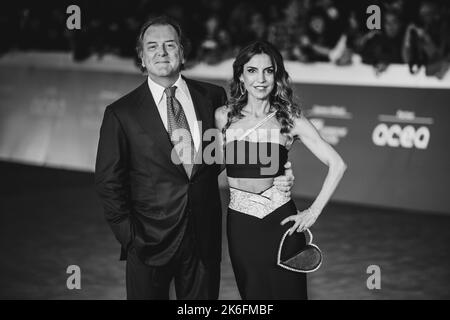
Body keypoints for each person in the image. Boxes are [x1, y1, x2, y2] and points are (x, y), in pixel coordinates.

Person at [94, 16, 294, 300]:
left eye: (169, 45)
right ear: (142, 57)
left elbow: (237, 149)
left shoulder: (212, 97)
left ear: (183, 53)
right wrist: (131, 238)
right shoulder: (121, 113)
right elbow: (108, 182)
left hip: (203, 240)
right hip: (148, 242)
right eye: (152, 47)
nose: (161, 52)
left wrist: (280, 170)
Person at [215, 41, 347, 300]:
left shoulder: (290, 118)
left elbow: (337, 164)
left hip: (281, 223)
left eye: (268, 71)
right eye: (252, 71)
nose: (261, 79)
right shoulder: (224, 116)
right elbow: (215, 165)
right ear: (241, 76)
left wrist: (313, 212)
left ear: (277, 76)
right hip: (241, 226)